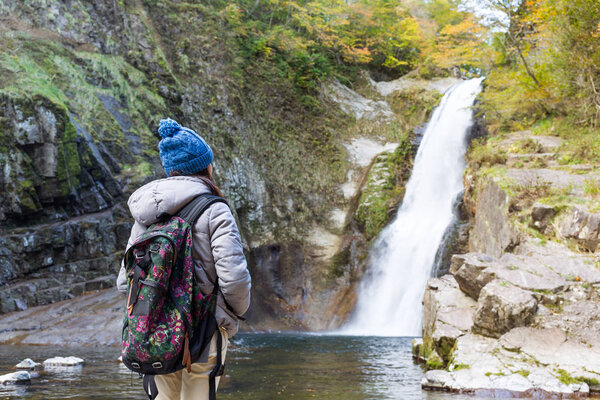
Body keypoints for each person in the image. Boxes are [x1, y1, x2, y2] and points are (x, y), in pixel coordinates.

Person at [117, 118, 251, 400]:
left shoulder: (145, 216)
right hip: (203, 326)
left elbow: (124, 283)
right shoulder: (215, 210)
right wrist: (231, 316)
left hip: (155, 329)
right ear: (205, 166)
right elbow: (235, 278)